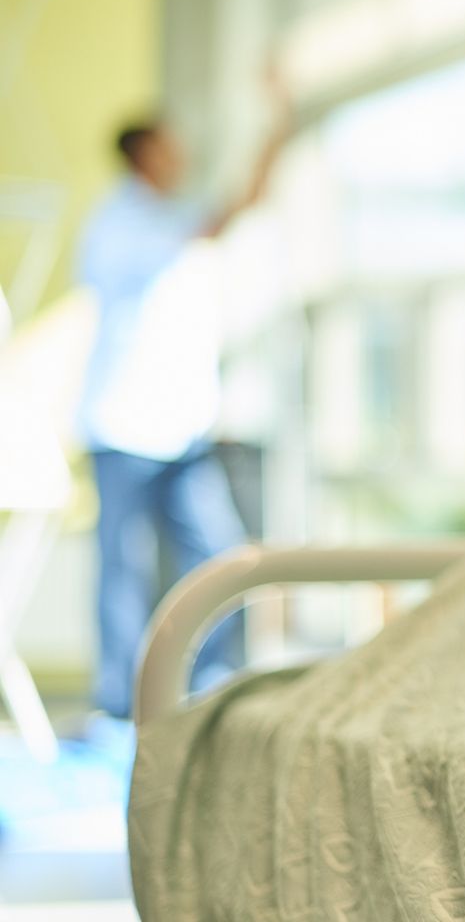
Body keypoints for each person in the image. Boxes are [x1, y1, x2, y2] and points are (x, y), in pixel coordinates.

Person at [77, 81, 291, 722]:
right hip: (122, 427)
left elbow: (241, 203)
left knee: (217, 555)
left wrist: (278, 122)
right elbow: (224, 214)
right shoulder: (118, 223)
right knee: (123, 571)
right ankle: (118, 710)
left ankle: (206, 689)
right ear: (142, 155)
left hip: (182, 430)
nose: (182, 157)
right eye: (170, 148)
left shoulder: (172, 218)